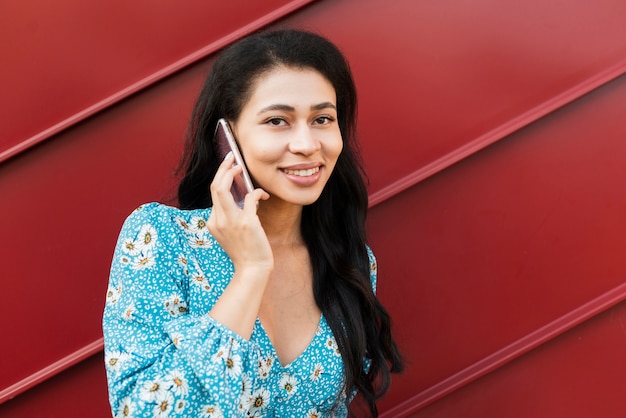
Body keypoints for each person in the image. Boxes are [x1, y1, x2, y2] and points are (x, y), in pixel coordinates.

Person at [103, 28, 403, 418]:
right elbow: (145, 412)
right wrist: (250, 273)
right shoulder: (162, 240)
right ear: (227, 136)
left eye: (322, 119)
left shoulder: (349, 262)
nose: (307, 144)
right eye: (277, 120)